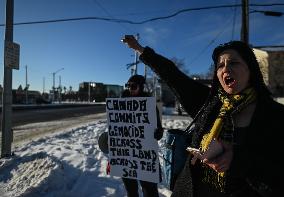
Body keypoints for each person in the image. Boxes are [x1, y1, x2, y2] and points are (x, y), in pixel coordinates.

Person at [121, 35, 284, 197]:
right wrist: (139, 49)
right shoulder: (208, 103)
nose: (226, 69)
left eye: (233, 62)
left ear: (251, 69)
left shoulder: (275, 116)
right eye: (220, 65)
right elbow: (172, 75)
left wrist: (240, 162)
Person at [121, 74, 164, 197]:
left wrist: (158, 132)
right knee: (131, 191)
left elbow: (159, 129)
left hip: (144, 155)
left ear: (141, 87)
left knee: (149, 191)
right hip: (126, 155)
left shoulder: (149, 105)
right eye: (128, 86)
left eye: (133, 86)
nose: (130, 89)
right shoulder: (120, 104)